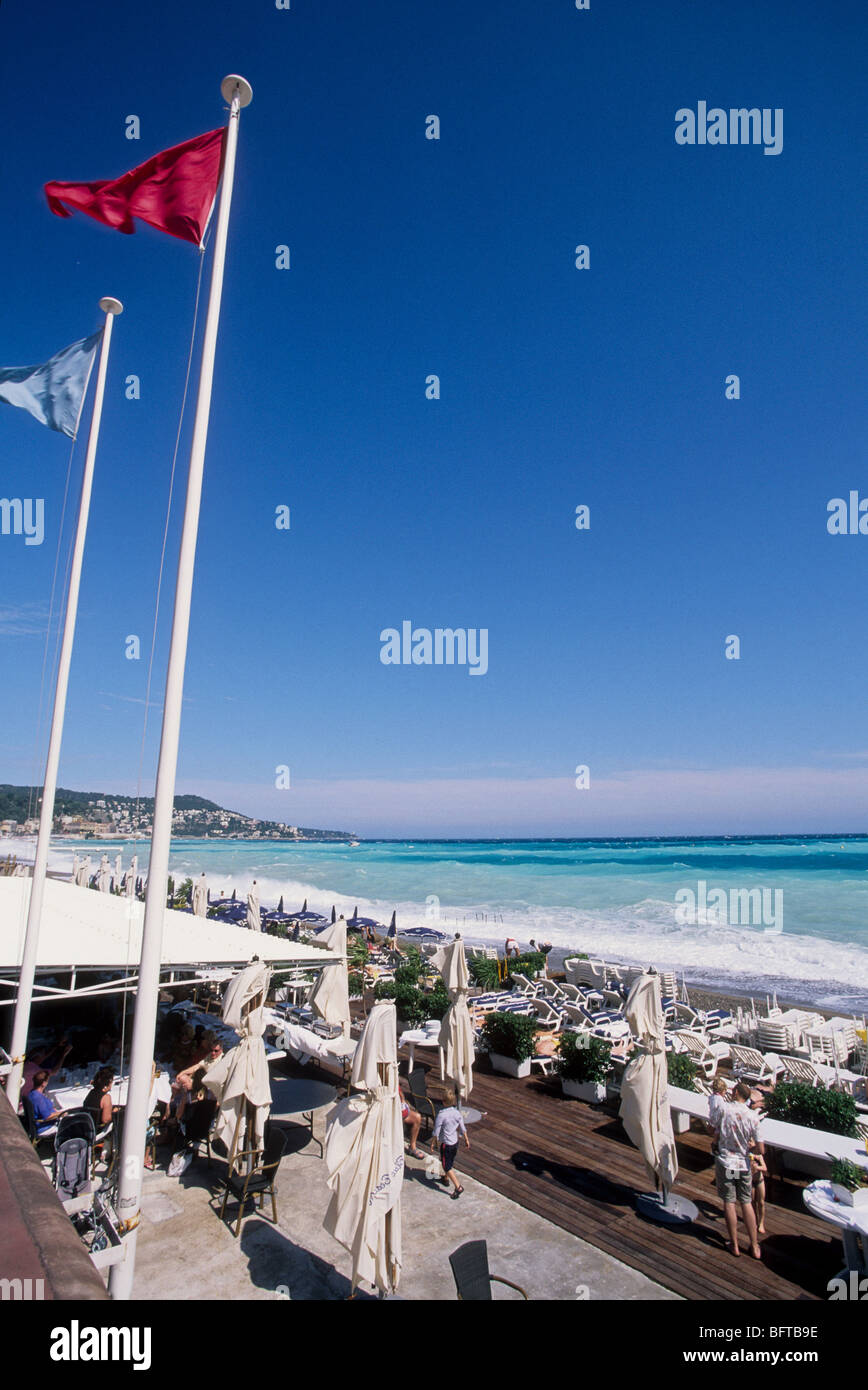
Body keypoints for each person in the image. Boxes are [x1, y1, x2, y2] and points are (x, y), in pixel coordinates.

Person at [712, 1080, 764, 1259]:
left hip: (727, 1162)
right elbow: (761, 1149)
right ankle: (755, 1246)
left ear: (735, 1093)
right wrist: (750, 1149)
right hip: (743, 1164)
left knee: (729, 1201)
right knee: (746, 1202)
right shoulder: (753, 1116)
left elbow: (715, 1127)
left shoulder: (725, 1110)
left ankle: (734, 1244)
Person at [430, 1088, 470, 1198]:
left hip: (446, 1144)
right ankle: (445, 1178)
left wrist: (433, 1142)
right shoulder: (457, 1113)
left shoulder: (441, 1115)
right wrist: (466, 1139)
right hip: (454, 1142)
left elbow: (436, 1130)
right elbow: (462, 1127)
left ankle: (458, 1187)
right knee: (450, 1161)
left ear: (443, 1101)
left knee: (446, 1165)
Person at [27, 1070, 64, 1134]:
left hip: (44, 1123)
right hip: (45, 1128)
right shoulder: (38, 1098)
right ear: (43, 1083)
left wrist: (56, 1112)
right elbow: (47, 1117)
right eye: (47, 1081)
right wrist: (62, 1113)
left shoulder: (32, 1093)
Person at [398, 1079, 424, 1159]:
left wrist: (404, 1102)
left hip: (401, 1110)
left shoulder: (394, 1077)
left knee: (417, 1118)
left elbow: (400, 1094)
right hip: (391, 1112)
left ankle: (412, 1147)